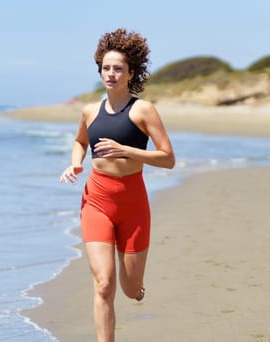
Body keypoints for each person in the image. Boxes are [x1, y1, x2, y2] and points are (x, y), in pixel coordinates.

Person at [60, 28, 176, 342]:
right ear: (100, 71)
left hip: (133, 202)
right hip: (96, 200)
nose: (111, 74)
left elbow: (168, 158)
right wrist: (75, 162)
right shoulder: (89, 111)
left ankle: (137, 287)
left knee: (128, 288)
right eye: (106, 68)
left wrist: (127, 151)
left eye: (118, 69)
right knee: (103, 284)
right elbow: (79, 141)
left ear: (131, 73)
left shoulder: (143, 110)